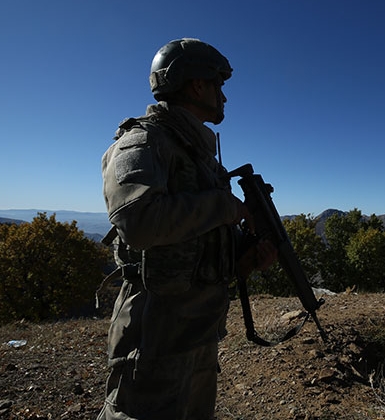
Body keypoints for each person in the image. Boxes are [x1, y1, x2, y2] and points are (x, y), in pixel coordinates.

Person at [97, 38, 275, 420]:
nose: (224, 97)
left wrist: (244, 255)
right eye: (218, 85)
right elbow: (138, 222)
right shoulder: (143, 142)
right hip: (154, 337)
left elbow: (196, 238)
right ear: (197, 85)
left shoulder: (198, 155)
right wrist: (224, 207)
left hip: (198, 332)